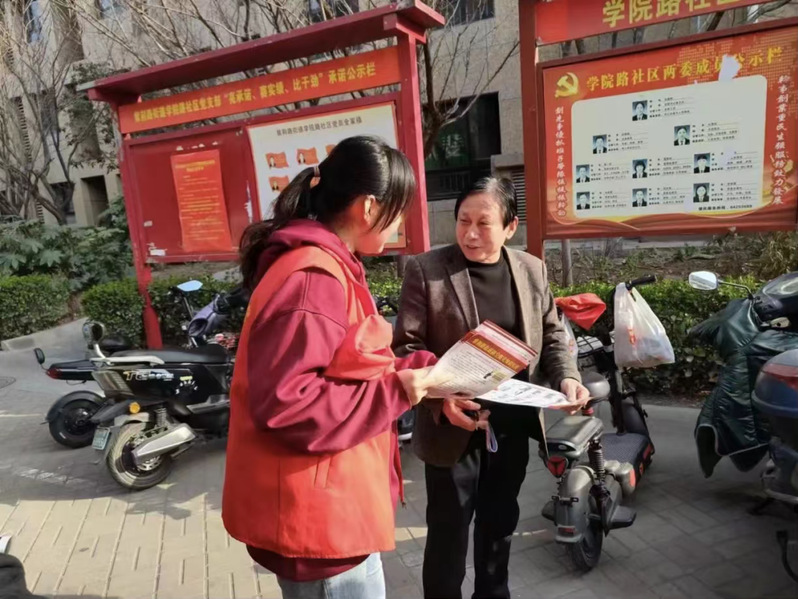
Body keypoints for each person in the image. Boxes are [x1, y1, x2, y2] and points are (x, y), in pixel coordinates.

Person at [222, 136, 448, 599]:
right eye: (398, 211)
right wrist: (400, 390)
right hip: (321, 528)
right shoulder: (313, 279)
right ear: (368, 207)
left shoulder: (330, 265)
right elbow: (289, 404)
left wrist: (426, 374)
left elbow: (349, 364)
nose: (400, 224)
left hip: (334, 514)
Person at [393, 177, 590, 599]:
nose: (470, 233)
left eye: (483, 223)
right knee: (448, 534)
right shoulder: (427, 270)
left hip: (511, 423)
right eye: (463, 221)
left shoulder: (531, 269)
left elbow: (552, 335)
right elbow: (406, 347)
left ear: (510, 226)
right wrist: (439, 399)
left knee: (499, 525)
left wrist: (568, 378)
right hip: (452, 428)